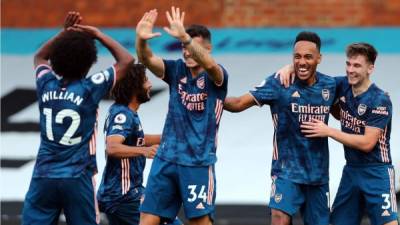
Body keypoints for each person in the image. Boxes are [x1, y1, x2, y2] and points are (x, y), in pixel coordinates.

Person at [22, 12, 134, 225]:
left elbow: (39, 57)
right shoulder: (91, 87)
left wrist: (65, 34)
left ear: (56, 61)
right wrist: (98, 34)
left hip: (44, 175)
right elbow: (126, 60)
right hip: (78, 176)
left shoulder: (45, 83)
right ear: (89, 61)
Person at [224, 31, 336, 225]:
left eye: (308, 57)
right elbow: (238, 103)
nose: (302, 62)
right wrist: (211, 97)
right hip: (286, 171)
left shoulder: (331, 84)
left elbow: (348, 102)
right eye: (297, 56)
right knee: (279, 219)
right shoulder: (278, 82)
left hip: (317, 175)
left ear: (319, 58)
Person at [135, 7, 228, 225]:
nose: (186, 52)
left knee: (199, 221)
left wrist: (185, 38)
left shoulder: (218, 76)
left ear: (208, 48)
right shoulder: (176, 70)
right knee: (147, 220)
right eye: (183, 48)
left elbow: (210, 65)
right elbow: (147, 59)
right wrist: (140, 41)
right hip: (166, 159)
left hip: (197, 163)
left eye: (192, 47)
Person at [300, 43, 398, 225]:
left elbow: (367, 143)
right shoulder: (342, 85)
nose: (350, 70)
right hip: (351, 170)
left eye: (357, 66)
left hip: (377, 171)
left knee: (388, 223)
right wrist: (289, 67)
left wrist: (328, 131)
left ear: (370, 68)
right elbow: (313, 77)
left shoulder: (379, 100)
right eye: (348, 64)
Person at [97, 64, 182, 225]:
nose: (150, 84)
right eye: (146, 80)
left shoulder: (126, 112)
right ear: (134, 87)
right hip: (123, 197)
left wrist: (170, 137)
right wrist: (144, 151)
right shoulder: (123, 114)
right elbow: (112, 147)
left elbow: (138, 139)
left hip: (126, 194)